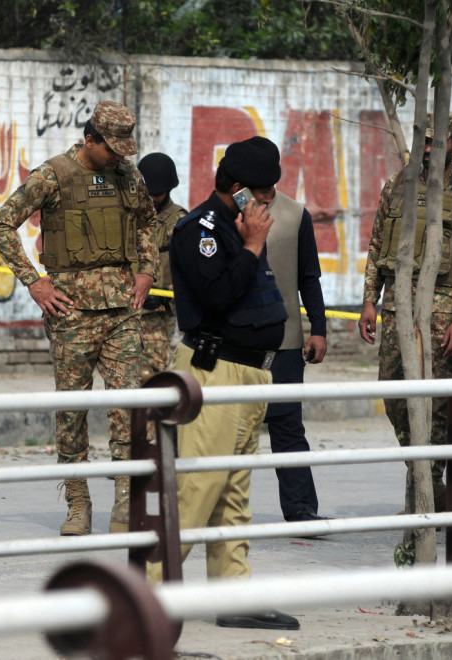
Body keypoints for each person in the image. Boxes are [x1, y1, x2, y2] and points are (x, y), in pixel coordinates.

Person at [146, 136, 299, 631]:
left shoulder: (235, 225)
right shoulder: (200, 230)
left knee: (233, 493)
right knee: (198, 488)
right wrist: (252, 245)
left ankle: (234, 594)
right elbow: (217, 298)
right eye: (262, 192)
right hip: (216, 369)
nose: (268, 202)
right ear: (236, 189)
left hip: (251, 371)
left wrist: (249, 241)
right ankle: (147, 598)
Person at [0, 100, 158, 536]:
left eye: (125, 148)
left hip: (122, 309)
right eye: (112, 148)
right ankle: (78, 503)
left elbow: (147, 223)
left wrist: (146, 270)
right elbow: (2, 223)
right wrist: (33, 281)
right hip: (71, 313)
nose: (120, 156)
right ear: (90, 139)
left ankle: (126, 502)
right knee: (73, 411)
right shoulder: (54, 174)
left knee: (129, 408)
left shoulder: (128, 175)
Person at [358, 113, 452, 513]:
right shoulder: (397, 186)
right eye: (426, 142)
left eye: (441, 143)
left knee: (433, 405)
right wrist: (370, 298)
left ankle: (428, 489)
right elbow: (376, 243)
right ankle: (423, 478)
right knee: (394, 395)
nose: (432, 150)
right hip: (397, 309)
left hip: (443, 310)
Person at [248, 137, 329, 524]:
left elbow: (309, 277)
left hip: (285, 342)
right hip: (239, 344)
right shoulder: (228, 211)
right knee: (230, 429)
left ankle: (300, 508)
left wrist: (319, 329)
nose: (263, 193)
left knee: (287, 429)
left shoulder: (297, 215)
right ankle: (218, 511)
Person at [135, 152, 187, 383]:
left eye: (157, 194)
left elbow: (189, 271)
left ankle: (151, 420)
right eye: (149, 193)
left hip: (158, 315)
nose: (153, 198)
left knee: (151, 376)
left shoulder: (178, 222)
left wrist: (166, 295)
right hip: (126, 311)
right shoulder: (130, 216)